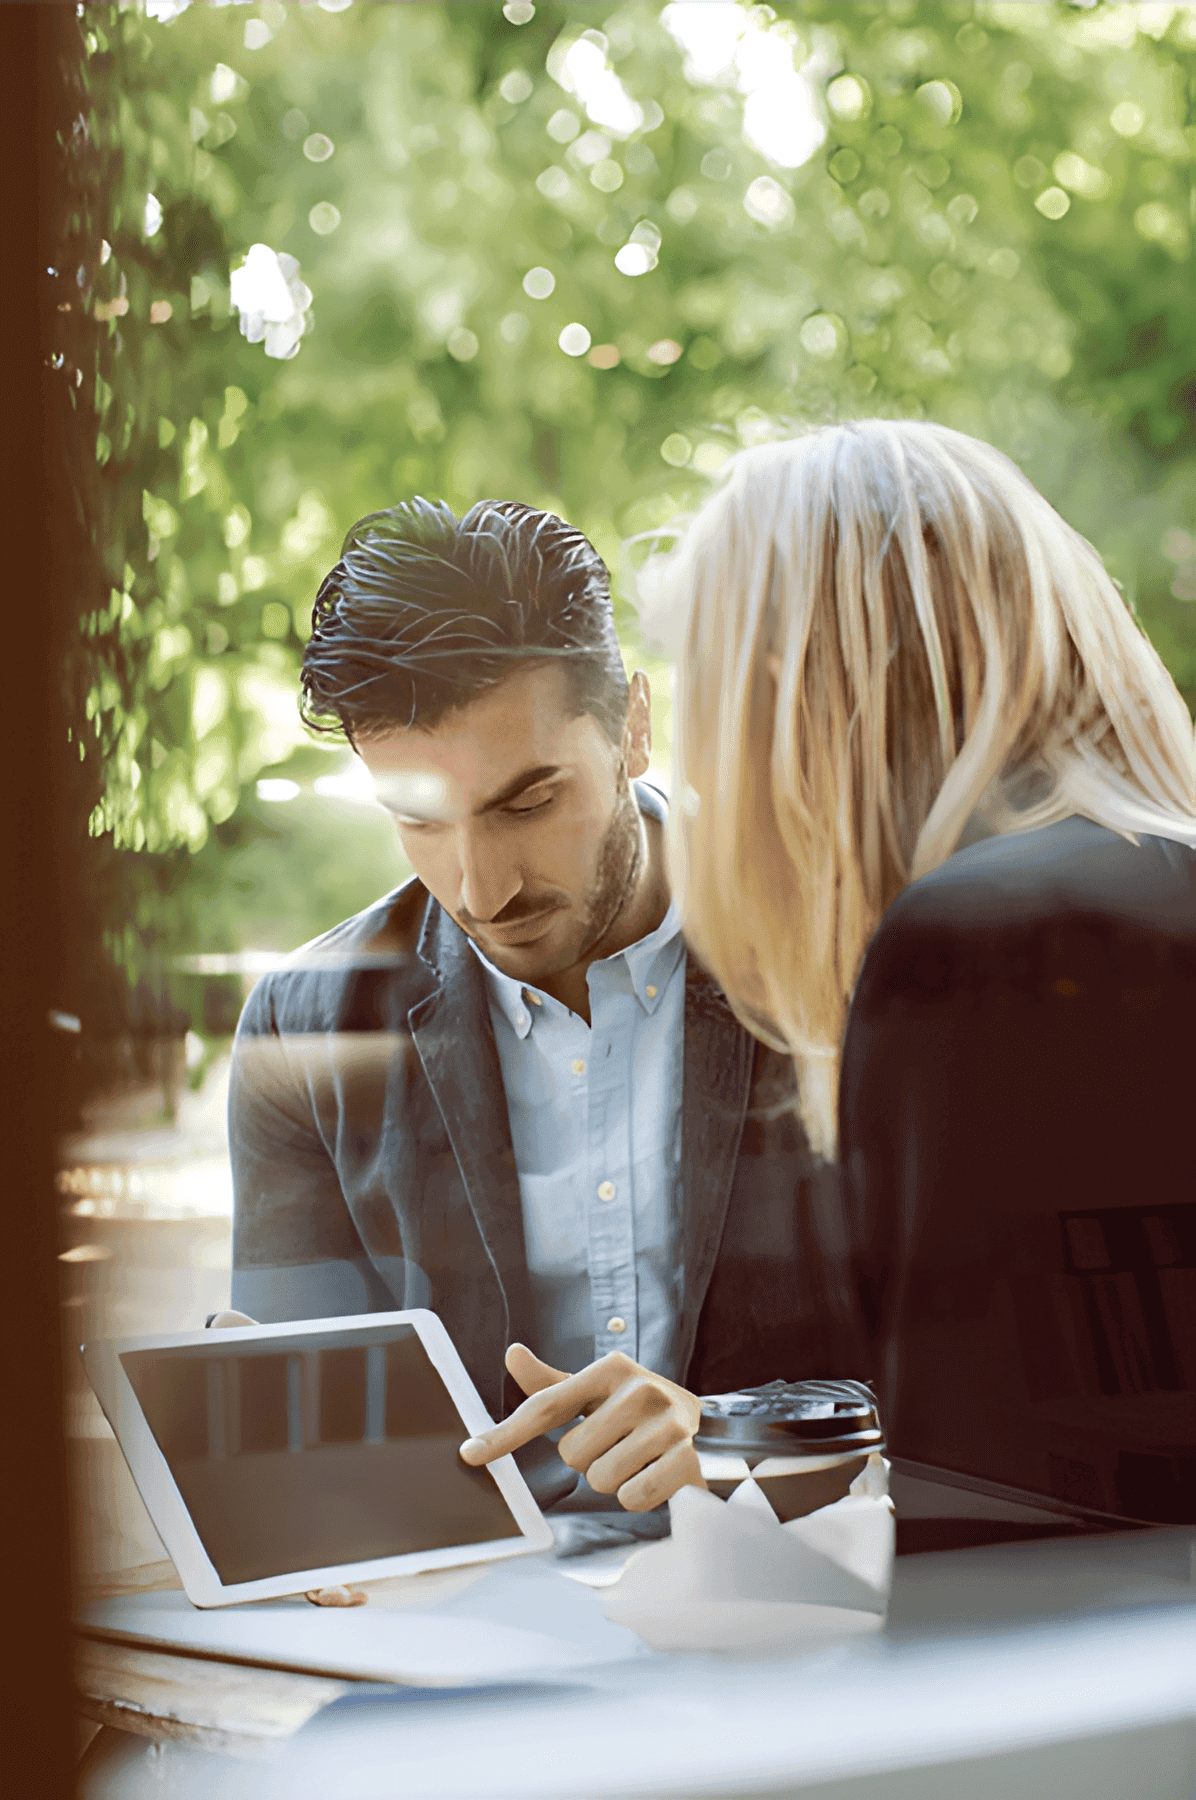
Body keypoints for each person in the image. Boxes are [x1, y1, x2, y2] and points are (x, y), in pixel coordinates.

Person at [226, 497, 857, 1517]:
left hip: (797, 1596)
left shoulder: (842, 954)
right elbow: (304, 1442)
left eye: (527, 802)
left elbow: (990, 1368)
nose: (480, 891)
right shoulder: (305, 1033)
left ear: (633, 728)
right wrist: (282, 1494)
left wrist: (748, 1442)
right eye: (416, 820)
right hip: (471, 1627)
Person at [629, 418, 1195, 1519]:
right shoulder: (1147, 889)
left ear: (803, 694)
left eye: (707, 688)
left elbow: (1012, 1550)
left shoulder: (988, 953)